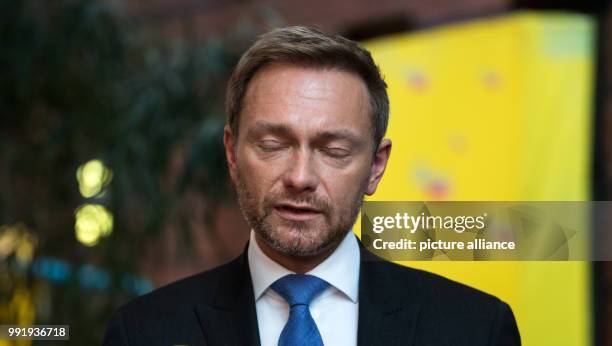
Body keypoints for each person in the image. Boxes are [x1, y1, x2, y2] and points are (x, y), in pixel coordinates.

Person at [103, 26, 521, 346]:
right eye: (272, 145)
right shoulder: (142, 331)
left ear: (376, 166)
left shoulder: (475, 329)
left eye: (334, 150)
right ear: (231, 153)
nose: (300, 177)